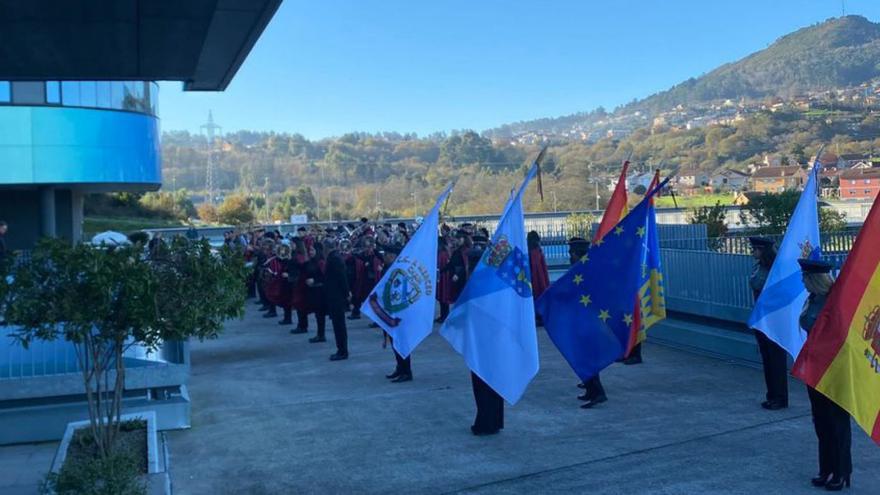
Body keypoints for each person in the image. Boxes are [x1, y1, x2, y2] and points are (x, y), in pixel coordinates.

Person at [798, 259, 851, 491]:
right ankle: (826, 468)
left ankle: (841, 471)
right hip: (815, 367)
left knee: (837, 422)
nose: (802, 281)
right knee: (820, 420)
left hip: (835, 369)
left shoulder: (836, 302)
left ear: (814, 280)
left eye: (805, 278)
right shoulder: (813, 299)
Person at [567, 237, 608, 409]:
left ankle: (598, 392)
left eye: (571, 253)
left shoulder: (583, 271)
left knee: (587, 357)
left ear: (576, 254)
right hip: (583, 320)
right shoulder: (584, 268)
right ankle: (591, 390)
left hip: (588, 321)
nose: (570, 256)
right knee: (584, 357)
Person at [749, 236, 789, 410]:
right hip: (761, 317)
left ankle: (780, 397)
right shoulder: (760, 267)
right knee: (767, 358)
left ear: (762, 251)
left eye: (755, 249)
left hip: (774, 319)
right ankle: (771, 394)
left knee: (776, 359)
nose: (753, 252)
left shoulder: (775, 270)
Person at [380, 245, 413, 383]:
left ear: (393, 256)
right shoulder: (387, 269)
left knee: (401, 342)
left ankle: (406, 371)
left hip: (399, 313)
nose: (384, 256)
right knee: (394, 341)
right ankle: (400, 367)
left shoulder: (399, 270)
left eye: (387, 254)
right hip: (389, 311)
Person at [321, 238, 351, 361]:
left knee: (339, 325)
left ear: (327, 248)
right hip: (335, 295)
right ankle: (341, 349)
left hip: (337, 296)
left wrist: (346, 293)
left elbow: (342, 278)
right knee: (337, 324)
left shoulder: (334, 259)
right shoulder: (334, 258)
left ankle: (342, 350)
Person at [527, 231, 550, 326]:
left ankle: (538, 317)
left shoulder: (531, 252)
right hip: (541, 281)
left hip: (534, 281)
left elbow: (533, 267)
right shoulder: (538, 251)